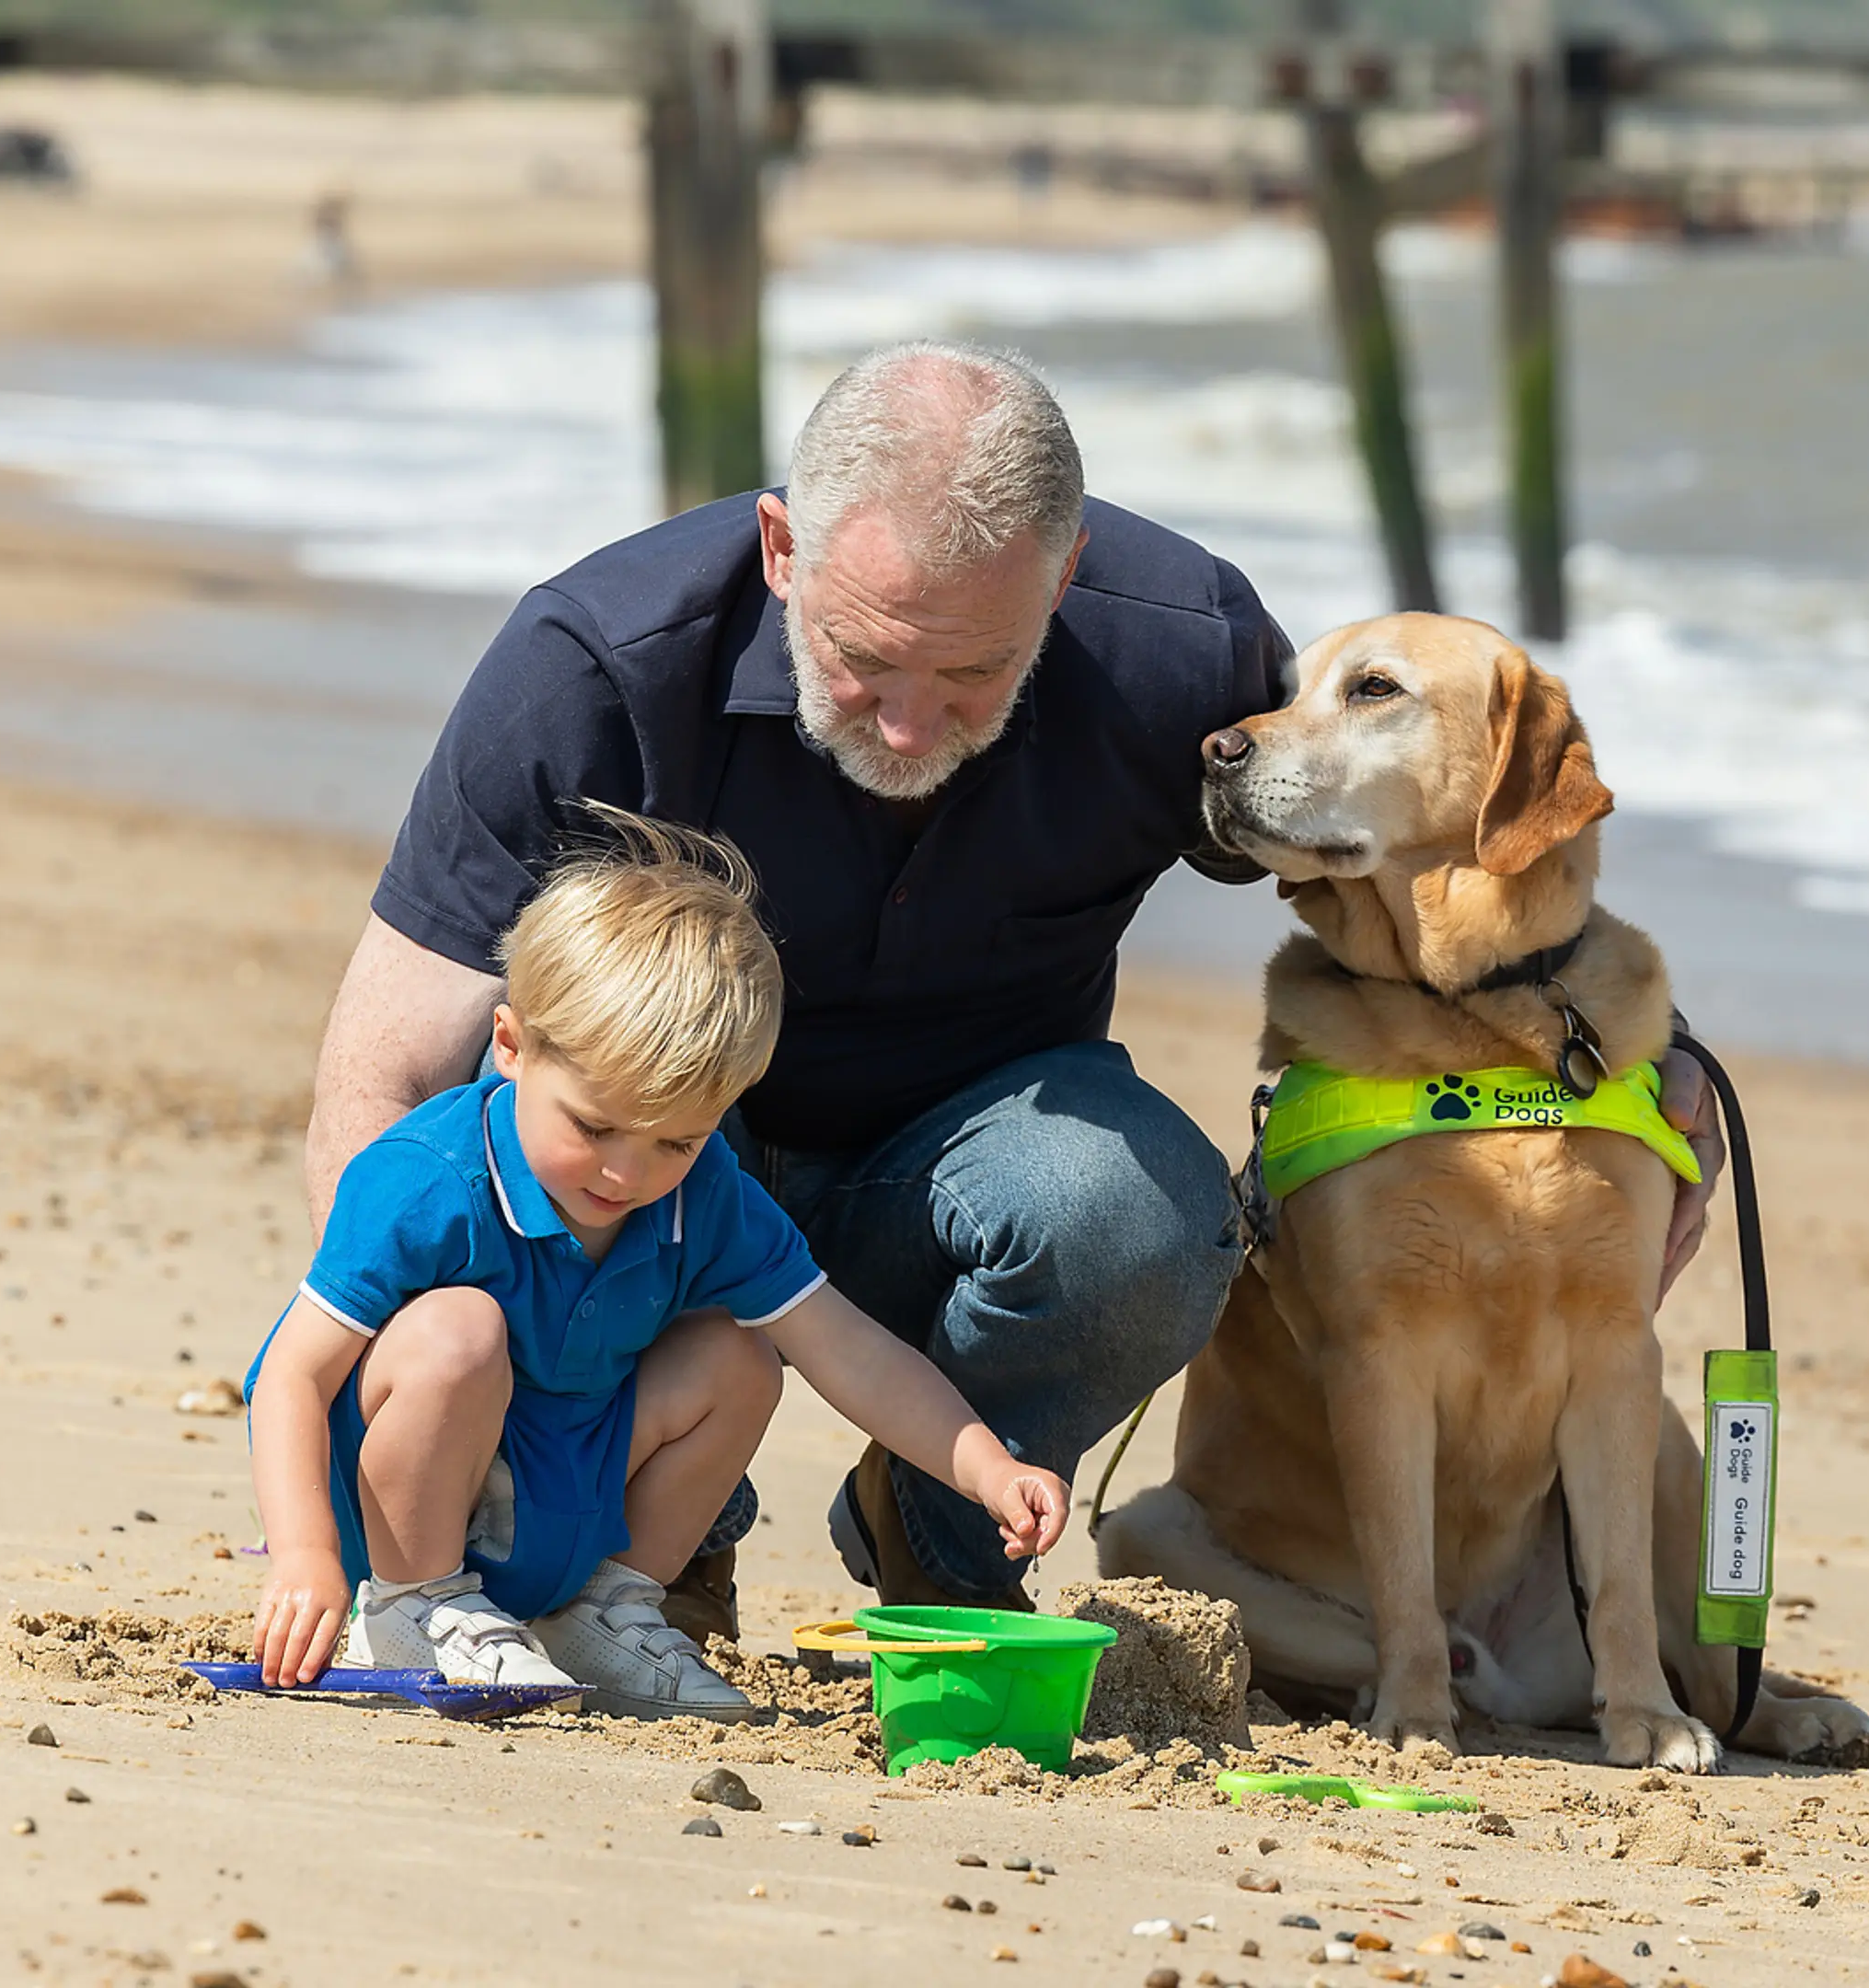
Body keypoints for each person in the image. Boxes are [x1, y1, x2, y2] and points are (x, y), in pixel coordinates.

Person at [301, 338, 1726, 1635]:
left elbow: (1425, 819)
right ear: (784, 549)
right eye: (863, 663)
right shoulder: (595, 667)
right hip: (657, 1163)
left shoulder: (1178, 650)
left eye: (978, 673)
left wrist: (1614, 1039)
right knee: (552, 1131)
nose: (913, 722)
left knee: (1155, 1216)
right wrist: (391, 1399)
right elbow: (391, 1070)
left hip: (977, 1171)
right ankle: (657, 1553)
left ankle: (940, 1534)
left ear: (1064, 576)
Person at [248, 807, 1070, 1718]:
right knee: (457, 1333)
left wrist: (989, 1468)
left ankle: (603, 1609)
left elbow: (849, 1350)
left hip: (567, 1510)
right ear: (513, 1048)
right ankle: (413, 1609)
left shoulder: (699, 1195)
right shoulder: (427, 1177)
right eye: (594, 1126)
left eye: (675, 1140)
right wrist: (305, 1556)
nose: (625, 1173)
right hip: (408, 1523)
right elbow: (291, 1373)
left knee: (741, 1357)